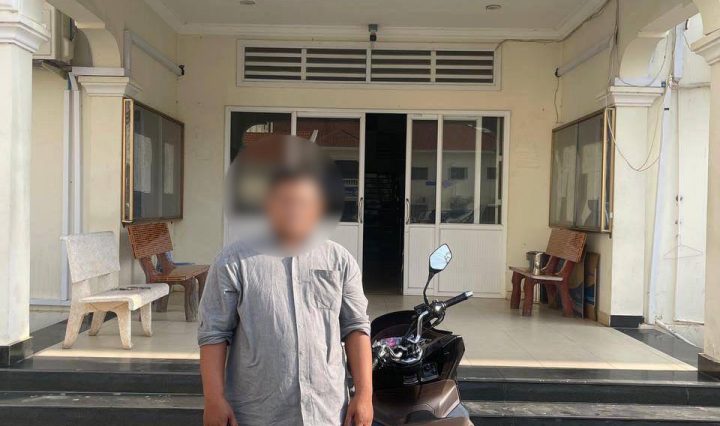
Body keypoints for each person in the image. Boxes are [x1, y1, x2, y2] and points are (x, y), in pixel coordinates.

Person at [198, 157, 373, 426]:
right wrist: (213, 399)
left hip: (326, 411)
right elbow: (213, 333)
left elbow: (356, 328)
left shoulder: (339, 260)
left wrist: (364, 394)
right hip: (257, 413)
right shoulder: (232, 262)